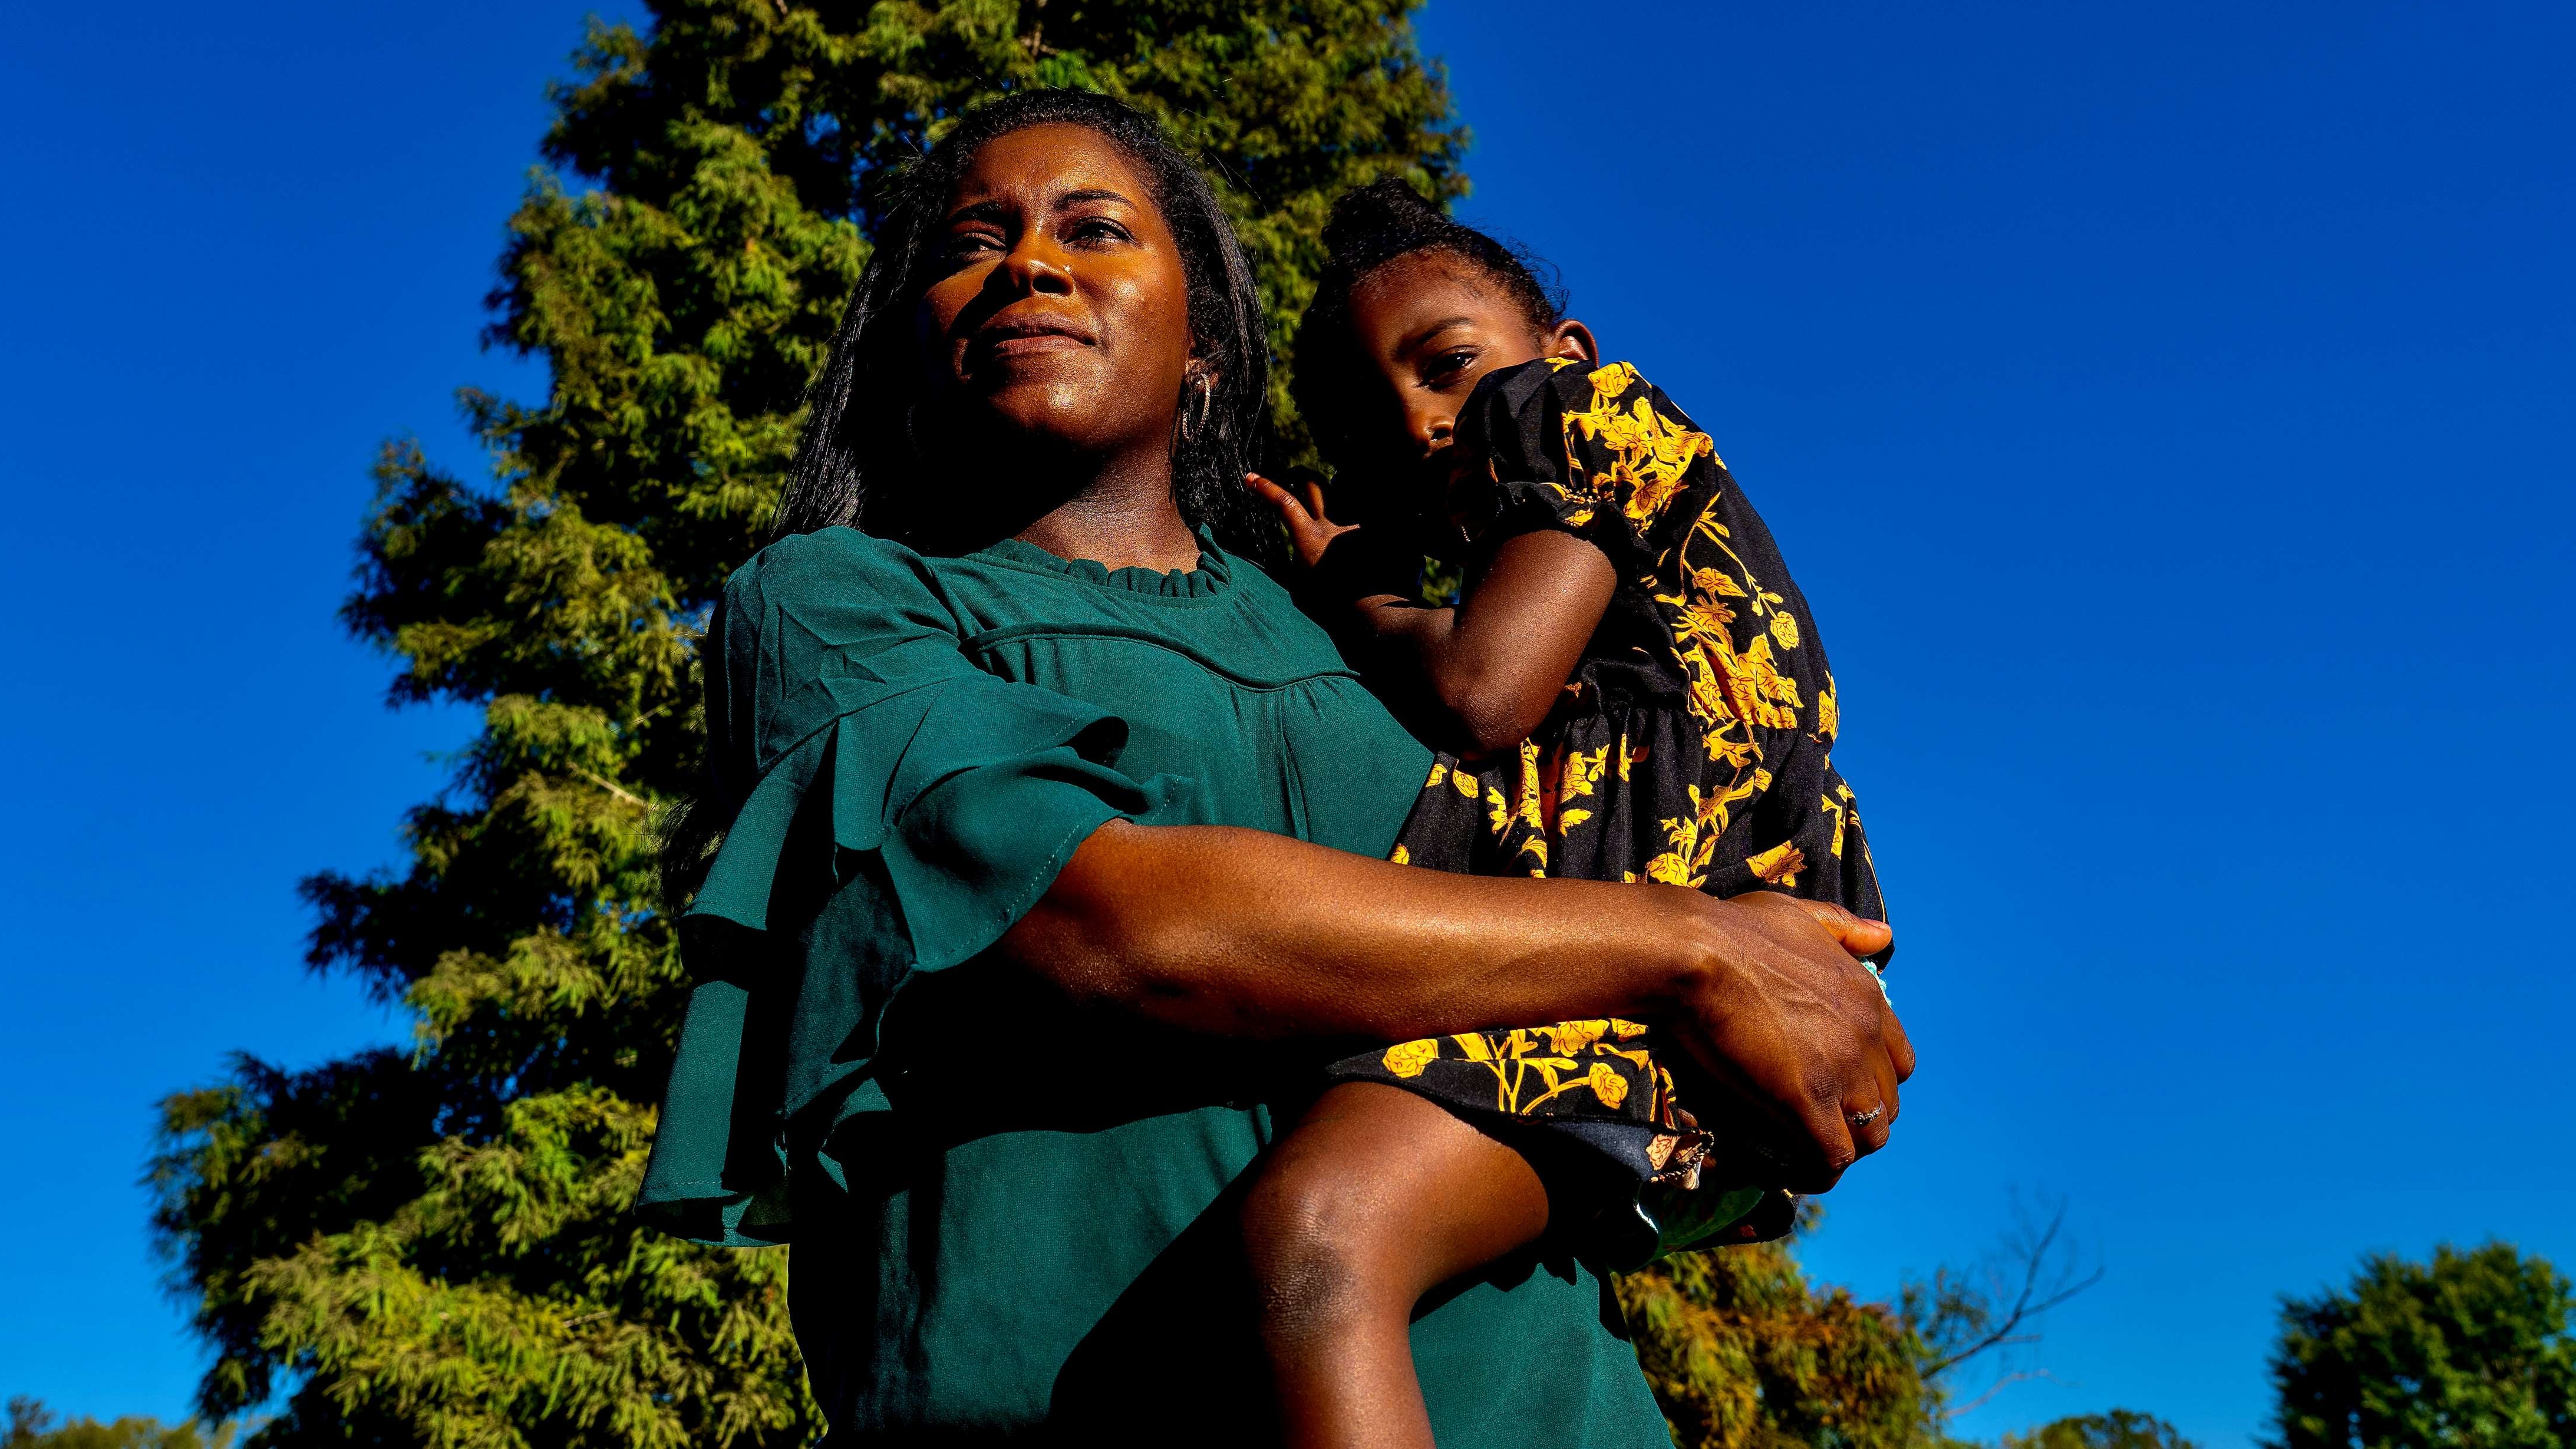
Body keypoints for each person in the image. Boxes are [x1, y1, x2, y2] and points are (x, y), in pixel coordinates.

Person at [639, 91, 1911, 1446]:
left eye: (1094, 227)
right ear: (911, 338)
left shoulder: (1387, 651)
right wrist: (1681, 944)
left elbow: (1637, 1061)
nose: (1028, 261)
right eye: (971, 241)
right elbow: (1095, 923)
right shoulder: (840, 602)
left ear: (1203, 345)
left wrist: (1759, 963)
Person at [1236, 181, 1895, 1448]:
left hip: (1685, 983)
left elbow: (1483, 689)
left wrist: (1351, 595)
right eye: (1381, 419)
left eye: (1451, 364)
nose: (1428, 420)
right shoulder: (1578, 561)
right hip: (1680, 1003)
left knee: (1317, 1237)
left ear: (1565, 351)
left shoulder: (1582, 418)